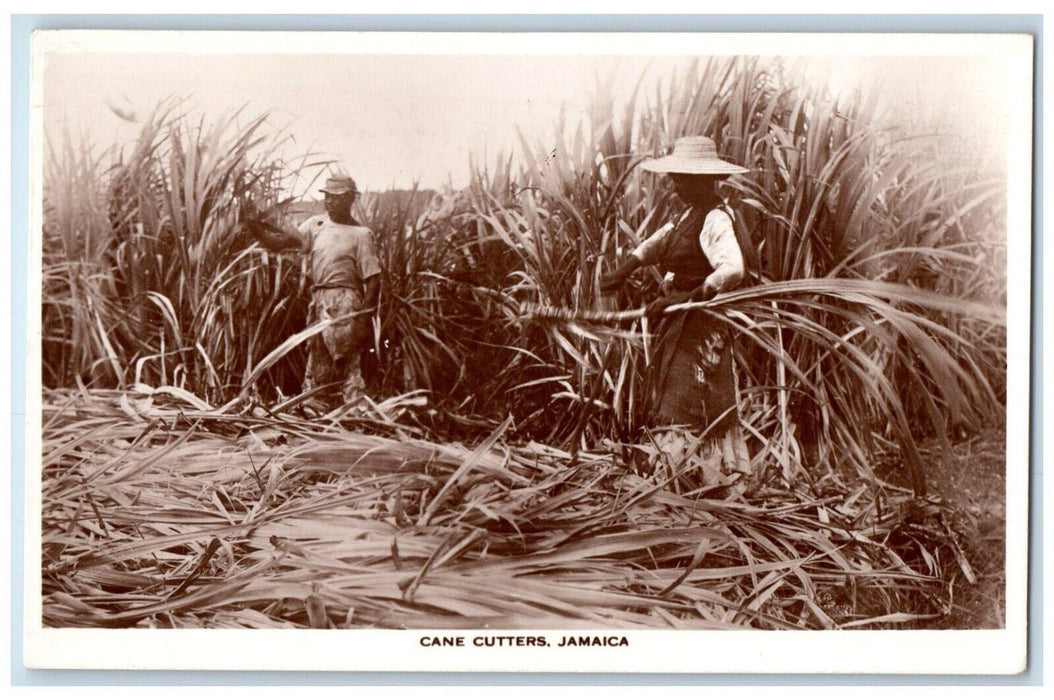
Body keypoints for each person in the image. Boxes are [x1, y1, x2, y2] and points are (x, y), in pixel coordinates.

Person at [599, 136, 752, 490]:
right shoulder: (688, 214)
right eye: (675, 177)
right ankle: (678, 476)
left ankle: (698, 479)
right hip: (683, 319)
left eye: (683, 178)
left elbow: (732, 269)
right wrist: (624, 270)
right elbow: (658, 242)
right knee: (675, 391)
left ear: (704, 180)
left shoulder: (715, 219)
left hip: (702, 325)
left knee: (691, 397)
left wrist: (687, 297)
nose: (675, 184)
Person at [242, 174, 381, 413]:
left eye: (336, 198)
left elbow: (374, 280)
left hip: (347, 301)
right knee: (317, 357)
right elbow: (283, 242)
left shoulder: (361, 235)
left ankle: (354, 413)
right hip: (319, 301)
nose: (330, 203)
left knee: (347, 359)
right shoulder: (316, 225)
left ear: (349, 199)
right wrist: (253, 224)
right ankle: (312, 408)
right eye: (327, 197)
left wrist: (363, 319)